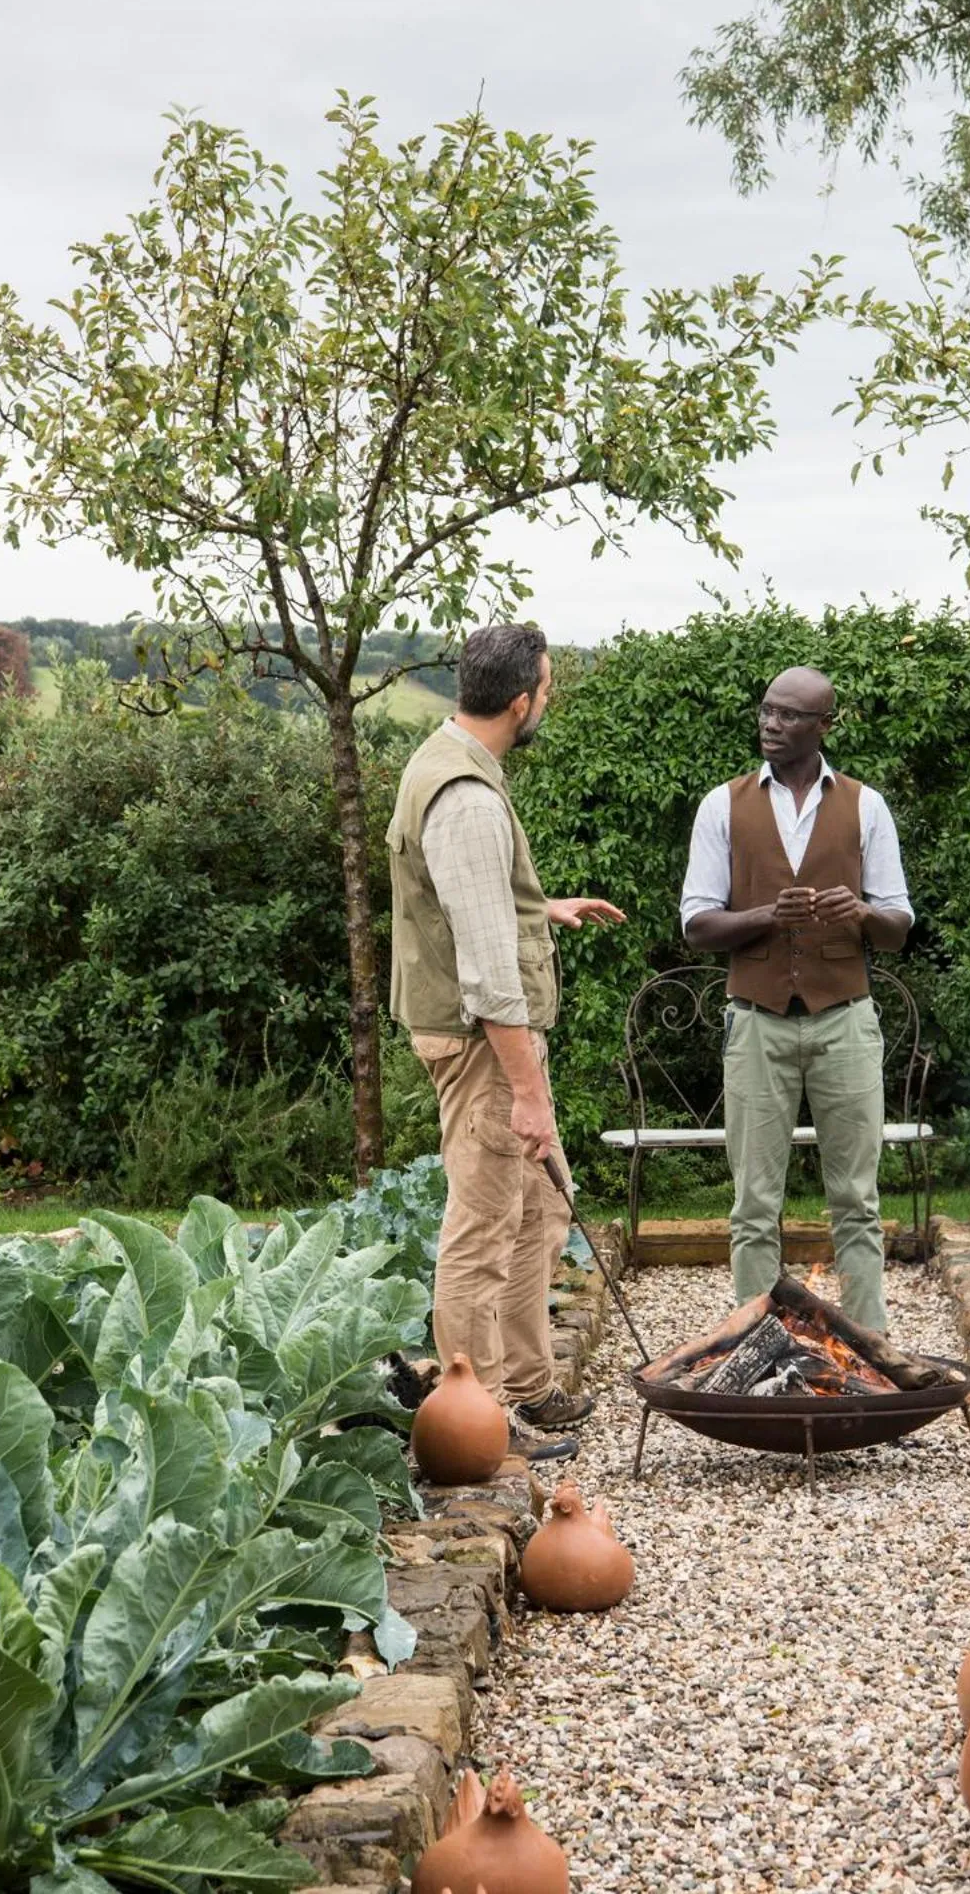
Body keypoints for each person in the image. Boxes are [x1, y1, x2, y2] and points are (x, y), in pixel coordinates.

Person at [388, 623, 625, 1461]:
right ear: (520, 702)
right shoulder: (470, 800)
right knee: (486, 1221)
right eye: (548, 691)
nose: (546, 703)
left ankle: (527, 1386)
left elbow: (469, 907)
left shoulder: (446, 759)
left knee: (539, 1205)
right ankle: (478, 1414)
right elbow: (488, 976)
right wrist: (527, 1090)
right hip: (485, 1041)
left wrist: (540, 907)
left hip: (483, 1034)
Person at [679, 666, 914, 1333]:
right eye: (765, 711)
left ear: (822, 726)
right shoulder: (720, 805)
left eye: (787, 715)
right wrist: (766, 917)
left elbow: (898, 929)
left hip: (845, 1021)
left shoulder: (864, 806)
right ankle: (755, 1343)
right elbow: (696, 925)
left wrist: (863, 912)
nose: (770, 724)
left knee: (856, 1200)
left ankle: (870, 1344)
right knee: (753, 1204)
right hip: (755, 1023)